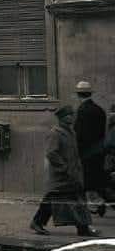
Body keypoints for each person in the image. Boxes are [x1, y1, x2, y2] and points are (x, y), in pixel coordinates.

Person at [31, 105, 101, 237]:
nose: (71, 117)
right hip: (61, 175)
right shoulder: (55, 133)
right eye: (67, 115)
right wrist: (64, 167)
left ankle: (83, 228)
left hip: (72, 173)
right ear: (61, 118)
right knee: (54, 199)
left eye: (71, 115)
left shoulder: (71, 132)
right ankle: (37, 222)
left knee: (78, 199)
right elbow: (52, 153)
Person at [74, 80, 108, 215]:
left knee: (86, 180)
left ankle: (94, 205)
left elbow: (79, 133)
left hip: (86, 152)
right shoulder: (99, 110)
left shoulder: (81, 111)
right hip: (99, 150)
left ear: (78, 95)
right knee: (97, 178)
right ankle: (99, 203)